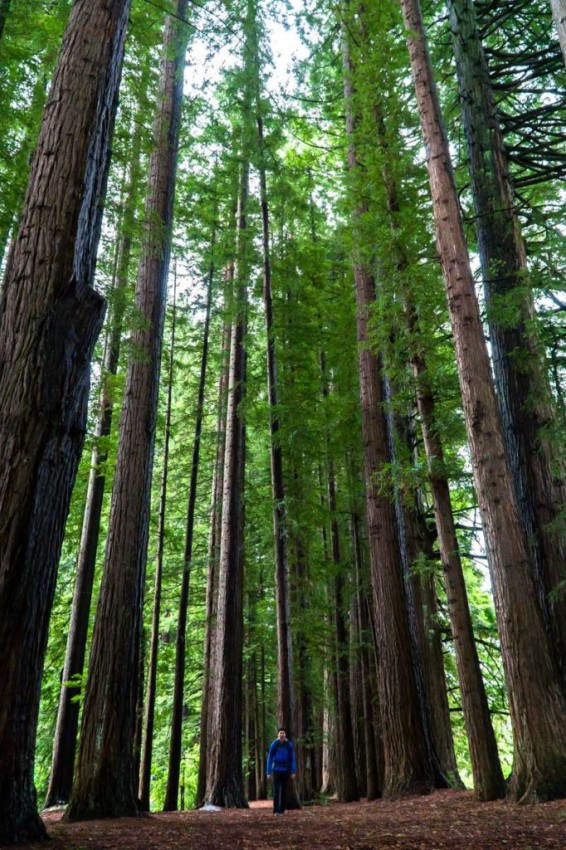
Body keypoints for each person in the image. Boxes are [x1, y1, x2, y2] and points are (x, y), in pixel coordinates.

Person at [266, 727, 296, 815]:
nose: (282, 735)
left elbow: (292, 758)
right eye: (280, 733)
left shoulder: (288, 745)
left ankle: (282, 810)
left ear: (285, 735)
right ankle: (276, 810)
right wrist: (268, 772)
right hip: (276, 770)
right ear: (278, 735)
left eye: (283, 733)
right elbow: (270, 758)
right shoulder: (274, 744)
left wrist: (293, 771)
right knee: (276, 790)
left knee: (284, 791)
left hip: (286, 770)